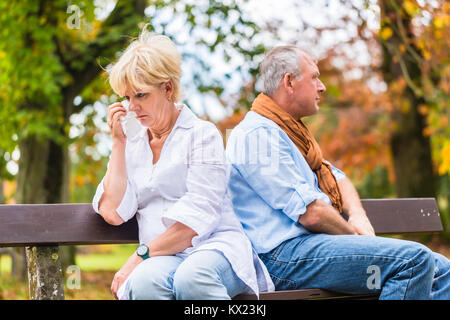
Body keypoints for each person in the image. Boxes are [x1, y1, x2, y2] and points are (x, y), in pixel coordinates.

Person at [225, 45, 450, 299]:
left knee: (443, 270)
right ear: (289, 82)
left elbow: (337, 178)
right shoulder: (257, 136)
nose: (321, 87)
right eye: (314, 77)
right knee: (414, 261)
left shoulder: (292, 134)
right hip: (282, 259)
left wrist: (357, 214)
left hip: (310, 250)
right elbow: (310, 213)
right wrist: (359, 240)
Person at [92, 28, 274, 300]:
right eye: (127, 97)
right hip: (164, 257)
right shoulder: (132, 144)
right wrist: (118, 144)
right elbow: (113, 212)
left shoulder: (202, 135)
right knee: (143, 283)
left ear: (168, 88)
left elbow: (194, 224)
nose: (131, 107)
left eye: (140, 95)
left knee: (193, 279)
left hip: (213, 247)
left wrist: (139, 256)